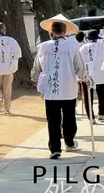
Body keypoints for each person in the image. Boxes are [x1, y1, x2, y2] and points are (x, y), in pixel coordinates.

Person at [31, 14, 87, 159]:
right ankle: (69, 142)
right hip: (68, 87)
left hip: (50, 89)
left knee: (53, 119)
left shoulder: (43, 47)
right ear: (65, 31)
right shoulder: (72, 45)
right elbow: (79, 66)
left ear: (51, 32)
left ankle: (55, 148)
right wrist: (84, 77)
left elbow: (36, 67)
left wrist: (35, 78)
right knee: (69, 117)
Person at [79, 30, 104, 123]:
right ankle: (101, 114)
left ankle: (91, 117)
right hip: (100, 73)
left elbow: (79, 62)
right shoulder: (101, 47)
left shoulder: (82, 48)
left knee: (87, 96)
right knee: (101, 94)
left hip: (86, 73)